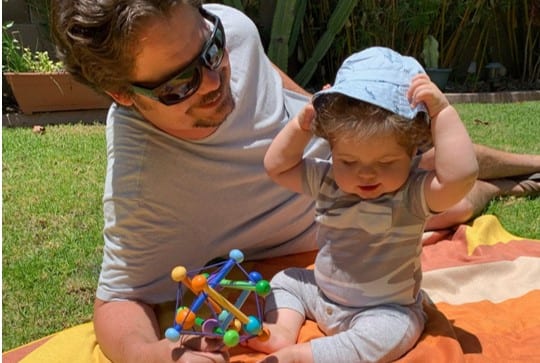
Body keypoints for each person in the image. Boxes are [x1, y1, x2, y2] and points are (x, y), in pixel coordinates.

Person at [49, 1, 539, 362]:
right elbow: (118, 296)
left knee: (425, 165)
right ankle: (509, 186)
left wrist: (329, 122)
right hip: (315, 216)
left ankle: (528, 160)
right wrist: (148, 356)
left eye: (211, 49)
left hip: (337, 167)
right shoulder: (140, 176)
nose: (218, 80)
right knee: (451, 205)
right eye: (181, 86)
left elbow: (263, 70)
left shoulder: (232, 27)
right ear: (123, 94)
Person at [246, 46, 478, 363]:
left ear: (413, 155)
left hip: (384, 309)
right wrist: (302, 124)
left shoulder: (412, 194)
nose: (366, 172)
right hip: (323, 296)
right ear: (332, 150)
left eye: (385, 162)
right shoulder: (327, 179)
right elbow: (277, 166)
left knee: (396, 330)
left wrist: (443, 113)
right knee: (288, 280)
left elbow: (460, 177)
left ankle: (306, 356)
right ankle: (283, 329)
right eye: (348, 160)